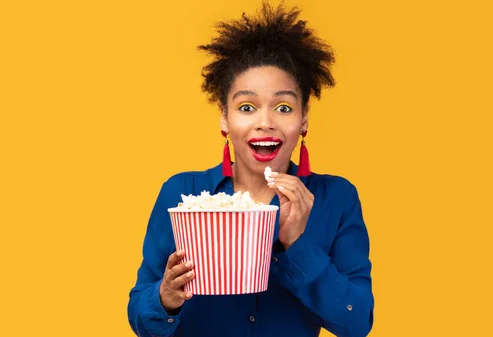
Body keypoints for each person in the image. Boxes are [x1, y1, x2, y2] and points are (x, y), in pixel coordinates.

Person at [127, 2, 374, 336]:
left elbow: (357, 322)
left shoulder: (336, 198)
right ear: (224, 119)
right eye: (246, 107)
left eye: (283, 107)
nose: (265, 122)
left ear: (303, 120)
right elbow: (141, 320)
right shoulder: (181, 194)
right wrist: (165, 298)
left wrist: (297, 244)